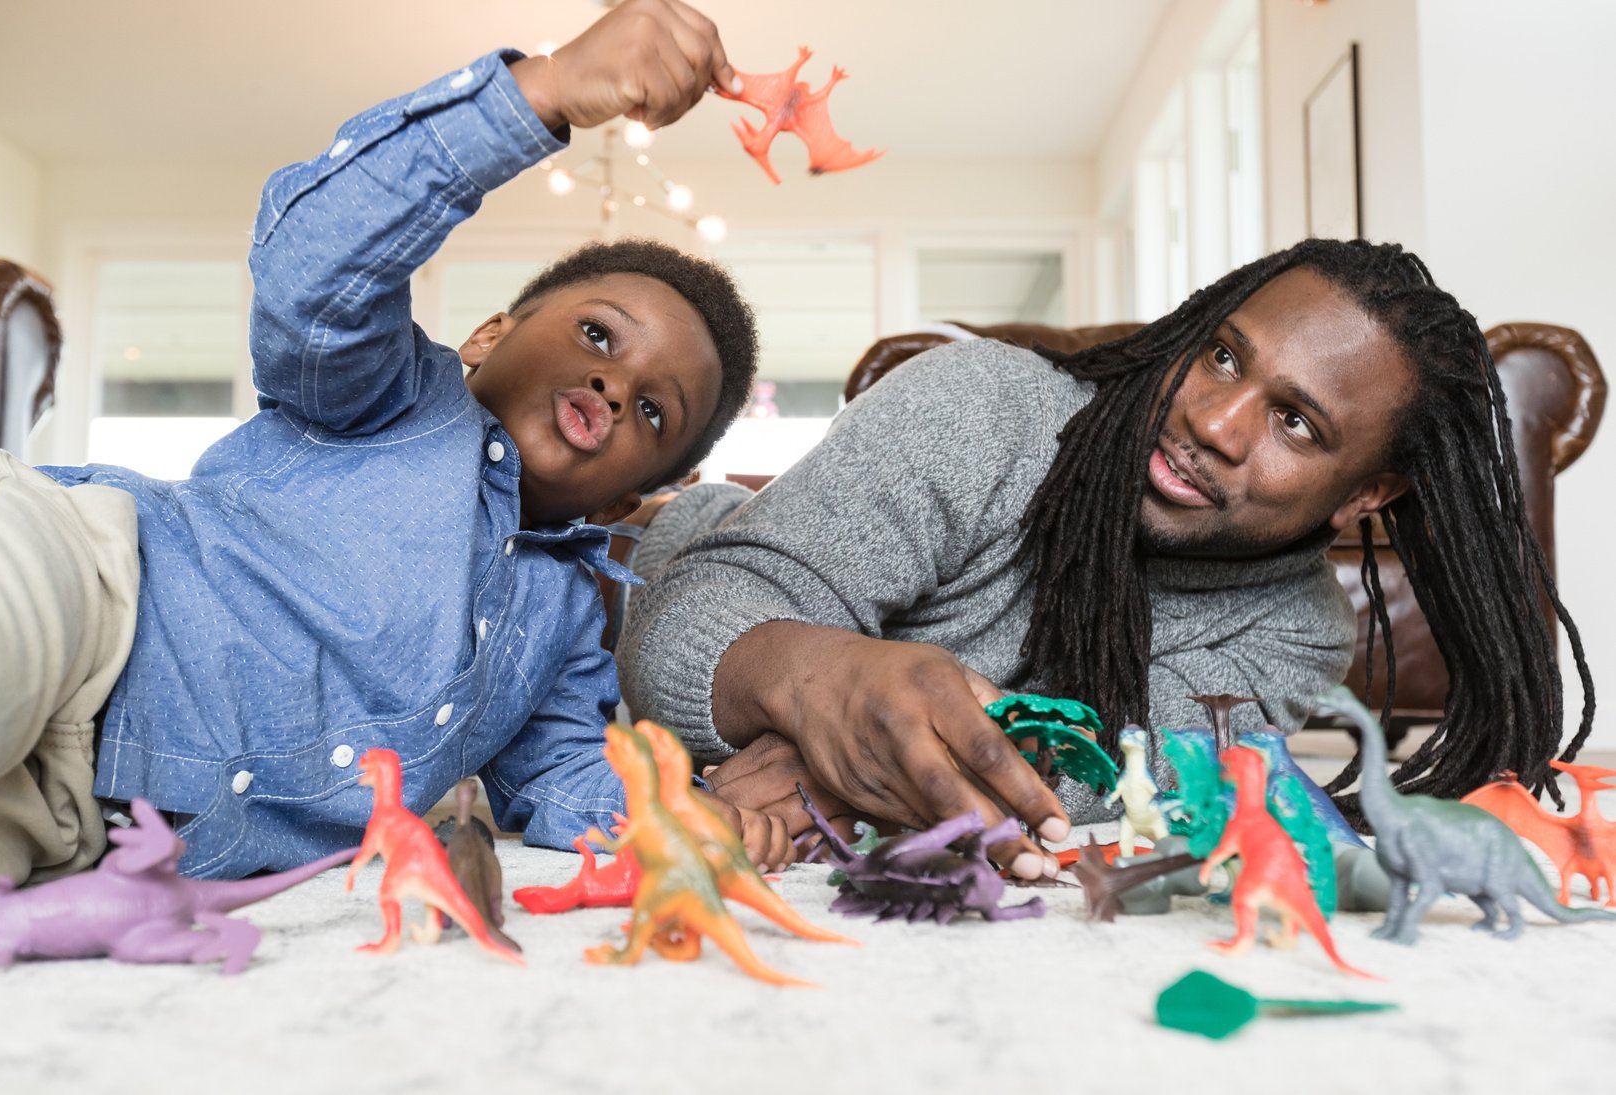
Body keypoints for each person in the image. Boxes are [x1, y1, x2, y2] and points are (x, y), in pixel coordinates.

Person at [0, 0, 792, 885]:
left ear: (629, 497)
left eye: (655, 413)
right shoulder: (385, 395)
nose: (617, 386)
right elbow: (313, 269)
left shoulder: (562, 629)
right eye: (599, 335)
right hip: (85, 601)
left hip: (81, 826)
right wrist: (544, 90)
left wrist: (678, 810)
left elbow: (562, 778)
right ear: (487, 335)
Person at [618, 239, 1596, 879]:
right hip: (631, 563)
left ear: (1369, 493)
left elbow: (1105, 783)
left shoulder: (1294, 632)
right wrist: (812, 675)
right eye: (1221, 356)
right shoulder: (976, 407)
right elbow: (679, 634)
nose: (1211, 422)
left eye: (1294, 422)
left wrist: (843, 758)